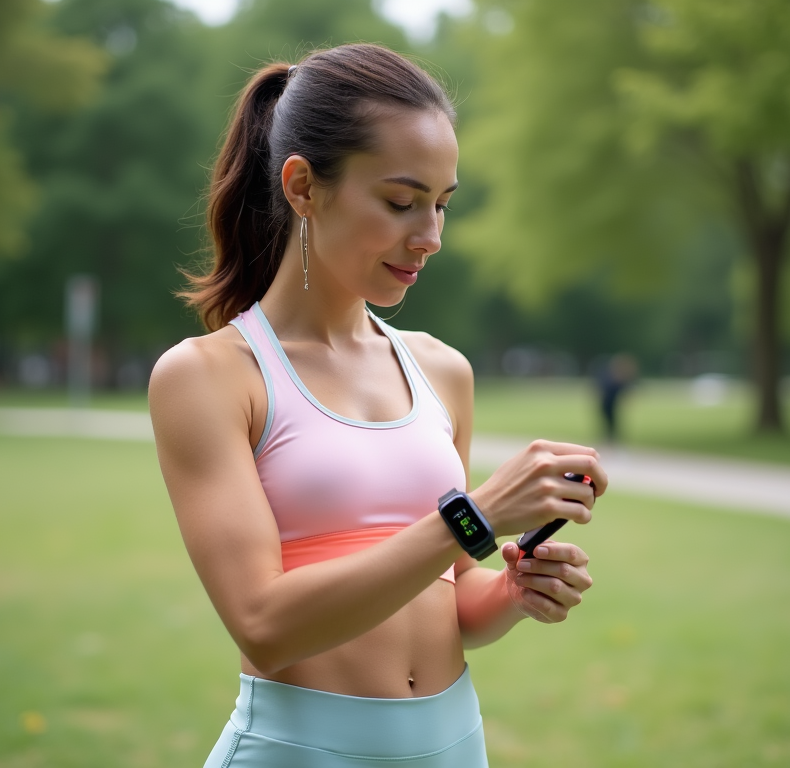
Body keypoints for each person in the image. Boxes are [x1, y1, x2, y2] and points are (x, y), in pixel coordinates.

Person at [148, 43, 608, 768]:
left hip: (454, 745)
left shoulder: (441, 371)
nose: (428, 237)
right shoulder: (210, 376)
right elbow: (264, 625)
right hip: (298, 749)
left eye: (441, 204)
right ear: (302, 186)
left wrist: (513, 591)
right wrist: (473, 518)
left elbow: (453, 597)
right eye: (401, 202)